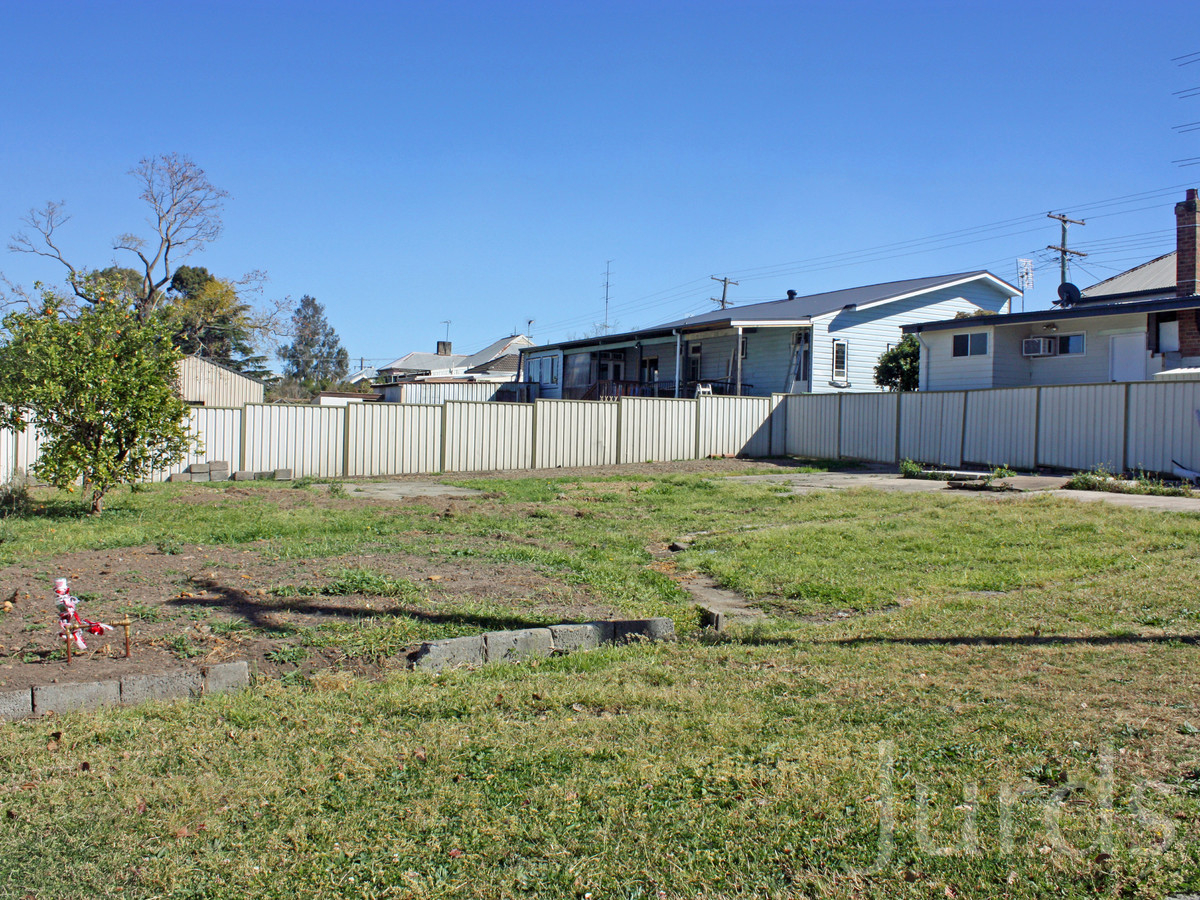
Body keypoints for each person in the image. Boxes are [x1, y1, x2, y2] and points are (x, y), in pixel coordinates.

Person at [54, 578, 111, 651]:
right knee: (67, 618)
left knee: (69, 618)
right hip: (65, 608)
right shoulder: (62, 604)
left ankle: (72, 637)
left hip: (67, 609)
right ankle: (70, 636)